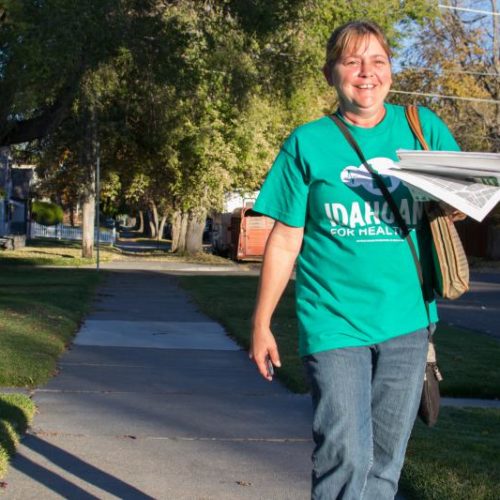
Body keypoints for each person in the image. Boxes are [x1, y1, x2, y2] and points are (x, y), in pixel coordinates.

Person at [250, 20, 461, 500]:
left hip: (408, 319)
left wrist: (456, 202)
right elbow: (285, 239)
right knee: (345, 455)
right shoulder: (308, 142)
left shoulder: (422, 129)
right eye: (352, 61)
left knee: (386, 462)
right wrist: (262, 322)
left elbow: (461, 201)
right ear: (331, 74)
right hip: (333, 321)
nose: (366, 73)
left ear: (390, 70)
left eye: (377, 61)